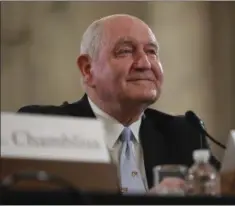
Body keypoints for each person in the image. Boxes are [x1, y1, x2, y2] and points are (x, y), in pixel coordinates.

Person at [18, 14, 220, 194]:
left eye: (151, 52)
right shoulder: (45, 129)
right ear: (88, 69)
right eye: (125, 51)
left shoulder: (185, 134)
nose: (144, 64)